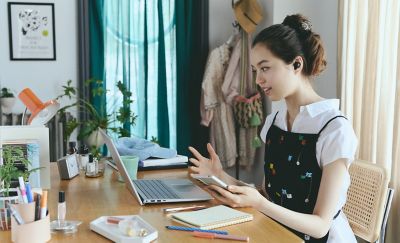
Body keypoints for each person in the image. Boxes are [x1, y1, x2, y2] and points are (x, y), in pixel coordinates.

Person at [189, 14, 357, 243]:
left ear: (297, 64)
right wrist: (220, 176)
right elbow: (268, 197)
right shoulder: (274, 122)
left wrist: (260, 203)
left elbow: (320, 226)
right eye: (255, 70)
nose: (258, 79)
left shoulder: (334, 129)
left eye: (265, 68)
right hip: (277, 233)